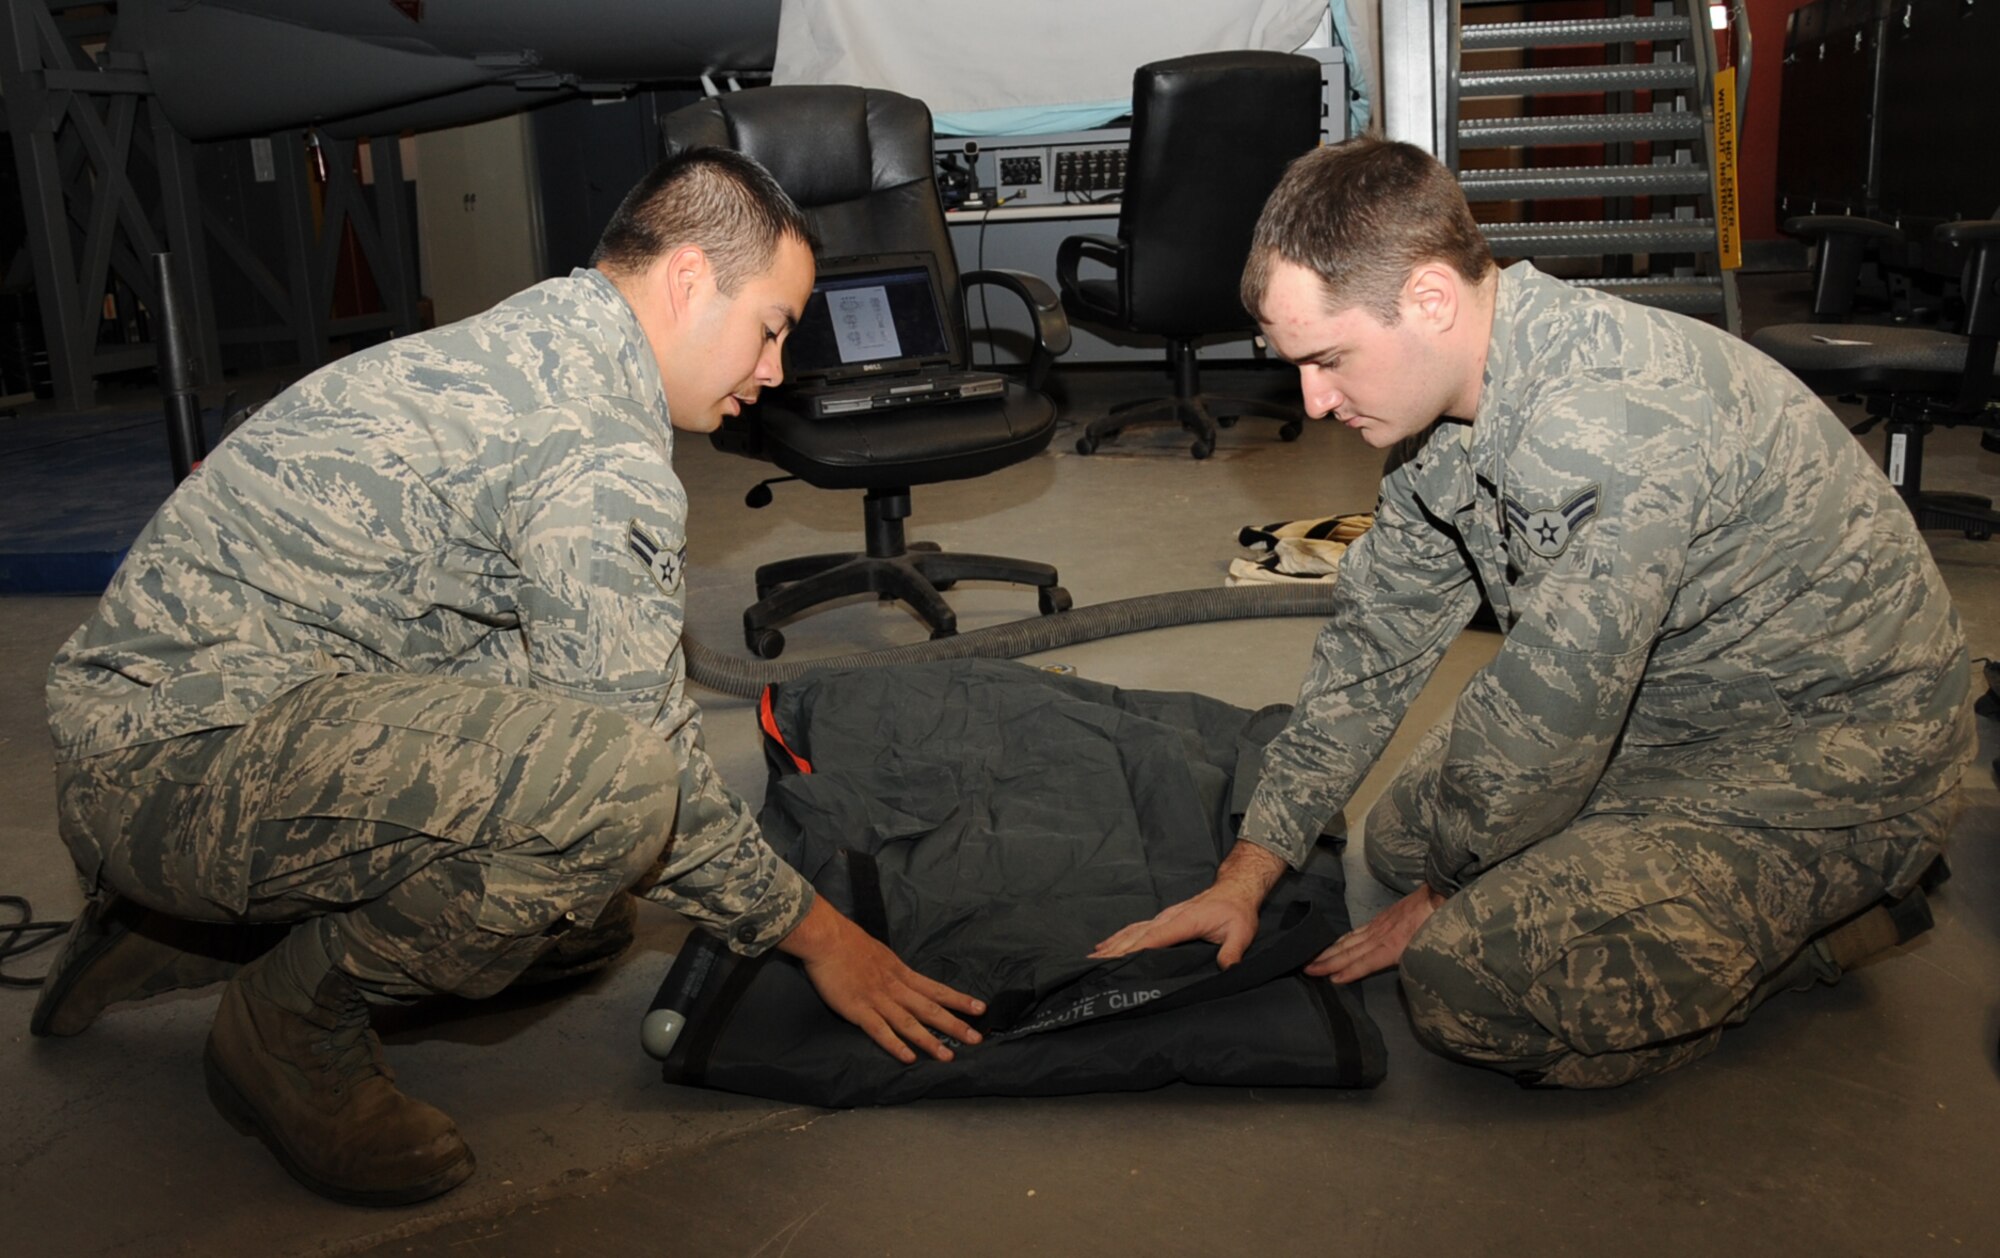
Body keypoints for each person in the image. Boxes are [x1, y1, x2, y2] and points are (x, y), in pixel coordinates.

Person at [33, 148, 985, 1204]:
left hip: (161, 732)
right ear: (683, 280)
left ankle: (165, 930)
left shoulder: (537, 340)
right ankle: (286, 1024)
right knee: (612, 801)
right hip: (168, 768)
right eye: (769, 326)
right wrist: (820, 939)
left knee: (587, 916)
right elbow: (648, 765)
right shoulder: (591, 448)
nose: (772, 370)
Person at [1094, 137, 1973, 1088]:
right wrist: (1248, 872)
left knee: (1467, 981)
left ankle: (1822, 928)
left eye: (1330, 359)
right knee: (1396, 838)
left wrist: (1448, 897)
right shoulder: (1452, 410)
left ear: (1430, 300)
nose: (1313, 401)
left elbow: (1549, 730)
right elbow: (1374, 645)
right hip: (1677, 706)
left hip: (1834, 757)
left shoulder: (1594, 429)